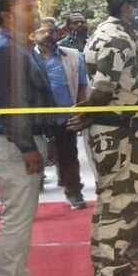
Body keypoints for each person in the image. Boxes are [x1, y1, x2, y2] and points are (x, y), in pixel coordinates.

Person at [67, 0, 138, 276]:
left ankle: (115, 272)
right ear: (128, 8)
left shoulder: (119, 32)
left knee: (120, 206)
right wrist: (86, 113)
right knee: (118, 207)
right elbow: (103, 91)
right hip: (118, 133)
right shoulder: (116, 38)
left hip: (123, 131)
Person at [0, 0, 64, 276]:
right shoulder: (4, 52)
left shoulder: (19, 47)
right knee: (16, 217)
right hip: (12, 145)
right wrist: (28, 147)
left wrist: (47, 140)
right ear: (6, 16)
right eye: (28, 8)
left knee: (22, 216)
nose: (36, 12)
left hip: (22, 142)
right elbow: (10, 106)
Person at [32, 17, 88, 209]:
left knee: (68, 156)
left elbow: (82, 87)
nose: (47, 35)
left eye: (51, 31)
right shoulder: (26, 57)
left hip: (65, 117)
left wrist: (80, 113)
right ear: (33, 35)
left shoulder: (73, 56)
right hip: (36, 119)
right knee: (35, 157)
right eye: (42, 31)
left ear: (58, 33)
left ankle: (74, 193)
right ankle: (30, 198)